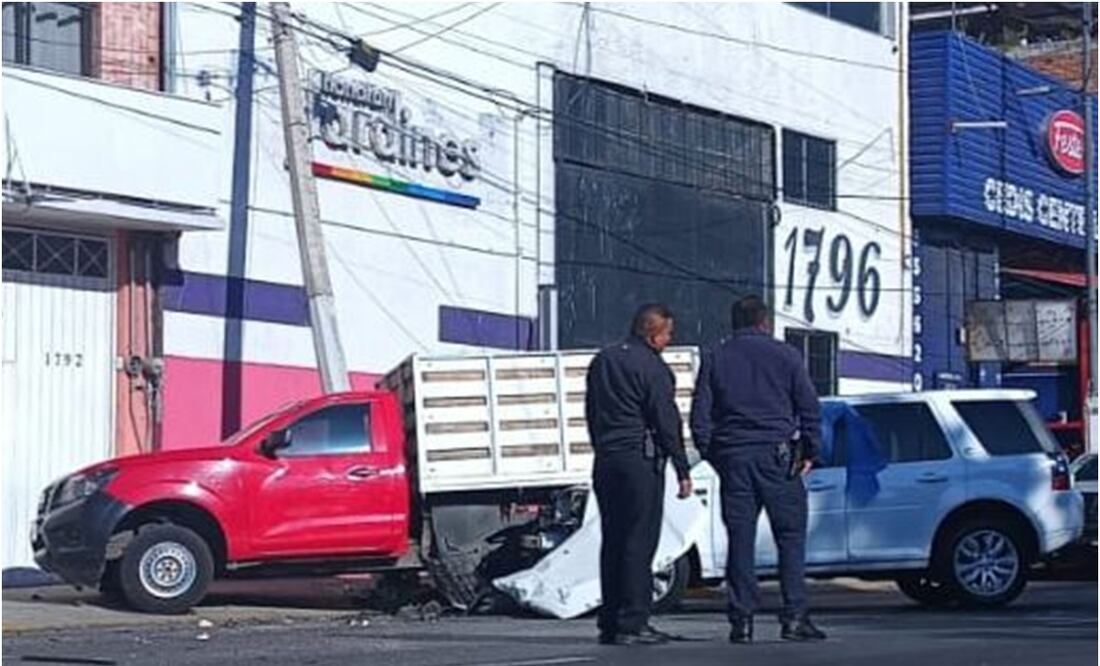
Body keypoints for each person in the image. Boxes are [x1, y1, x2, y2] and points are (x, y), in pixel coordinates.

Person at [690, 296, 826, 644]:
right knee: (791, 538)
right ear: (765, 322)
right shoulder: (787, 356)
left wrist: (715, 455)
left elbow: (700, 417)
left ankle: (742, 621)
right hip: (778, 458)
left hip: (734, 457)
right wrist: (810, 450)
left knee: (740, 540)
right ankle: (794, 617)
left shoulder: (715, 357)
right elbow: (809, 408)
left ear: (734, 323)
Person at [586, 303, 694, 646]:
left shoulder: (603, 361)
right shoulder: (653, 368)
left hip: (606, 460)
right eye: (667, 334)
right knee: (639, 541)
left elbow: (591, 411)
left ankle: (610, 621)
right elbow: (666, 421)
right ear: (653, 333)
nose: (668, 341)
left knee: (613, 541)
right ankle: (634, 622)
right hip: (640, 462)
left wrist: (602, 446)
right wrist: (681, 467)